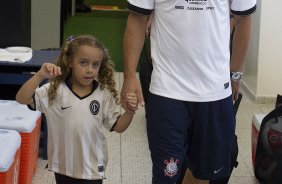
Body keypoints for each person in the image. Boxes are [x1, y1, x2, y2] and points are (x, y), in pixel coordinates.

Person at [121, 1, 256, 184]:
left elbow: (244, 19)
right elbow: (137, 18)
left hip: (214, 92)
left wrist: (236, 73)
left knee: (202, 173)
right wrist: (129, 76)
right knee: (165, 176)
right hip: (167, 91)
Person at [16, 34, 138, 184]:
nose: (89, 70)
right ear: (70, 61)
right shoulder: (55, 90)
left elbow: (118, 127)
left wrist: (130, 111)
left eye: (95, 64)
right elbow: (21, 99)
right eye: (83, 63)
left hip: (93, 169)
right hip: (63, 167)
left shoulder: (103, 94)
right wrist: (40, 75)